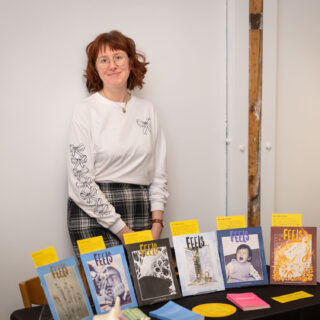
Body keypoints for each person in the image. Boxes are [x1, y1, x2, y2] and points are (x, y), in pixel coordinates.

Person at [67, 30, 168, 260]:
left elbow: (159, 174)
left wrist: (157, 223)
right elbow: (80, 181)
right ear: (96, 69)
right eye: (104, 60)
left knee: (150, 294)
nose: (112, 65)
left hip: (141, 210)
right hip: (92, 213)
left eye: (118, 57)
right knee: (112, 295)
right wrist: (121, 230)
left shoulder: (148, 110)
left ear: (131, 61)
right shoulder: (85, 110)